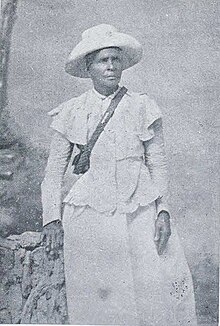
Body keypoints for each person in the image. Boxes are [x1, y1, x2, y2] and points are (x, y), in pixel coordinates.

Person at [41, 24, 197, 325]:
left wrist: (163, 211)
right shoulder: (72, 111)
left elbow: (158, 164)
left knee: (150, 292)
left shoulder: (142, 106)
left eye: (116, 59)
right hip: (89, 216)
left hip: (138, 212)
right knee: (99, 298)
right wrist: (51, 219)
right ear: (89, 67)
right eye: (102, 60)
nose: (111, 66)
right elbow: (53, 174)